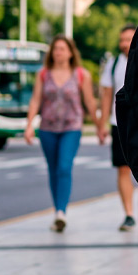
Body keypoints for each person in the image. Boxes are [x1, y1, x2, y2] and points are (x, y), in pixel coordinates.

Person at [25, 35, 104, 232]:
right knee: (53, 170)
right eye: (55, 49)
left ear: (70, 52)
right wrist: (29, 125)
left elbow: (89, 102)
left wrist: (98, 126)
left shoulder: (81, 74)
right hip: (47, 128)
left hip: (72, 127)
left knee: (63, 167)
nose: (58, 52)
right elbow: (35, 100)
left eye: (62, 49)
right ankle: (58, 210)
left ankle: (62, 212)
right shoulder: (44, 74)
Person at [100, 25, 138, 232]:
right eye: (121, 40)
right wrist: (102, 123)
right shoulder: (113, 65)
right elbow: (106, 95)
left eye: (128, 39)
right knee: (122, 168)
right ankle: (129, 214)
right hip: (118, 123)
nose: (124, 44)